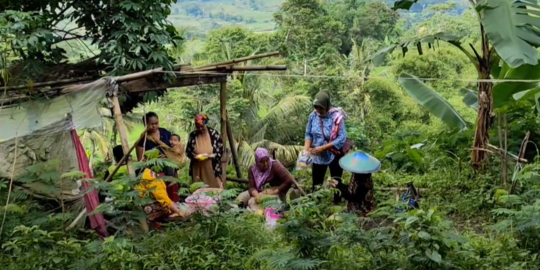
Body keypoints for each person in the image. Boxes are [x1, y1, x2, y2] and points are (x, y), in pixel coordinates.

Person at [304, 91, 348, 203]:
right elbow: (308, 133)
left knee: (336, 181)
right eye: (316, 107)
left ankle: (336, 205)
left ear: (327, 106)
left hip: (334, 153)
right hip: (318, 155)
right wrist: (306, 150)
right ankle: (316, 206)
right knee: (316, 183)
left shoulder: (336, 117)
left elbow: (341, 137)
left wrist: (323, 147)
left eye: (321, 108)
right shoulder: (313, 116)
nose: (318, 111)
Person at [136, 111, 179, 203]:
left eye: (156, 123)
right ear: (145, 124)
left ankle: (173, 203)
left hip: (168, 165)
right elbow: (140, 160)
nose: (154, 126)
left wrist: (168, 155)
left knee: (171, 178)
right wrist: (155, 159)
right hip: (153, 168)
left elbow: (174, 149)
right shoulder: (143, 139)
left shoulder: (166, 133)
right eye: (151, 124)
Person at [329, 151, 380, 217]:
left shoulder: (363, 184)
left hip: (362, 210)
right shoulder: (358, 176)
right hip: (354, 206)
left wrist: (339, 188)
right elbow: (351, 189)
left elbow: (354, 197)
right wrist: (339, 185)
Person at [185, 114, 224, 188]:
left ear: (206, 124)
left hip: (211, 167)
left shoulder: (214, 134)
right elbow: (188, 151)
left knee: (213, 188)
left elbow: (220, 151)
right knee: (197, 188)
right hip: (197, 167)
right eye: (197, 126)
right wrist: (194, 156)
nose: (200, 128)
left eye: (202, 126)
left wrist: (209, 156)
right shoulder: (193, 135)